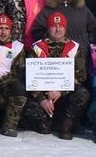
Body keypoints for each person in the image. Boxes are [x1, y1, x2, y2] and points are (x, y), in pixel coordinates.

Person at [17, 12, 90, 140]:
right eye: (54, 26)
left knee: (83, 94)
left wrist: (61, 91)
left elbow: (81, 75)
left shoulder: (74, 48)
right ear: (48, 28)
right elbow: (29, 75)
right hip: (43, 97)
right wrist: (41, 98)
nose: (57, 29)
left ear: (65, 28)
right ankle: (47, 122)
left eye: (61, 26)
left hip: (65, 95)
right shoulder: (37, 47)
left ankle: (67, 123)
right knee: (31, 110)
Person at [29, 0, 96, 64]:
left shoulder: (82, 8)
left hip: (81, 54)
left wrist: (87, 41)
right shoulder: (49, 10)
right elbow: (37, 30)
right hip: (56, 58)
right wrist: (53, 38)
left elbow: (94, 28)